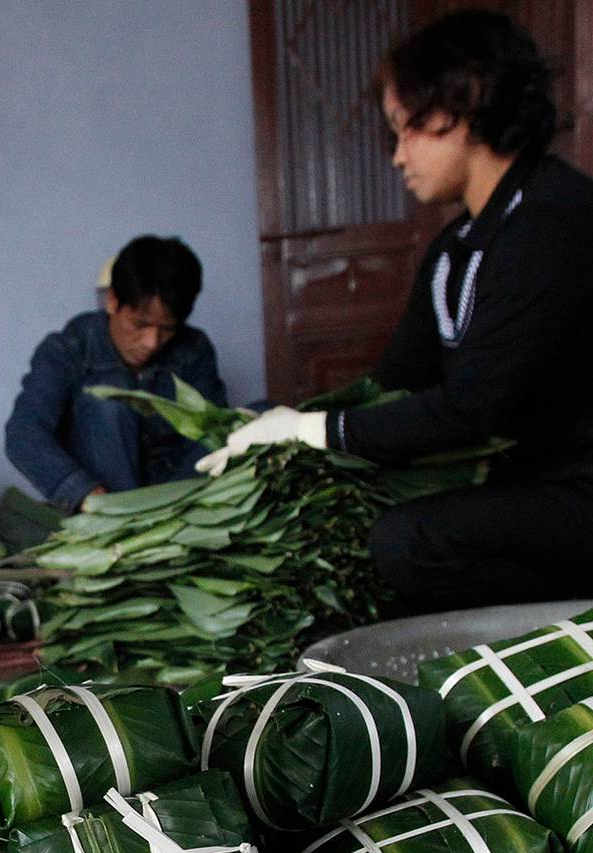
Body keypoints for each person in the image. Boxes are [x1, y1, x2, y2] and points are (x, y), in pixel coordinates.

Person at [198, 9, 593, 615]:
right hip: (529, 488)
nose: (398, 156)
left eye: (408, 129)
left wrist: (313, 432)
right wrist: (286, 425)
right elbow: (394, 384)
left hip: (577, 492)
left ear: (469, 104)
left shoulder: (551, 219)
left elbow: (469, 411)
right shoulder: (453, 248)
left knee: (407, 543)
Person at [5, 235, 227, 513]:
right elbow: (24, 434)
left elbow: (208, 440)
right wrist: (84, 494)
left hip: (171, 500)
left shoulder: (193, 350)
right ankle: (122, 526)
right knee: (108, 402)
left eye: (167, 329)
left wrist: (178, 507)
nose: (152, 342)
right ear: (112, 301)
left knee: (253, 418)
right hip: (103, 505)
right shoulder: (67, 349)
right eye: (140, 324)